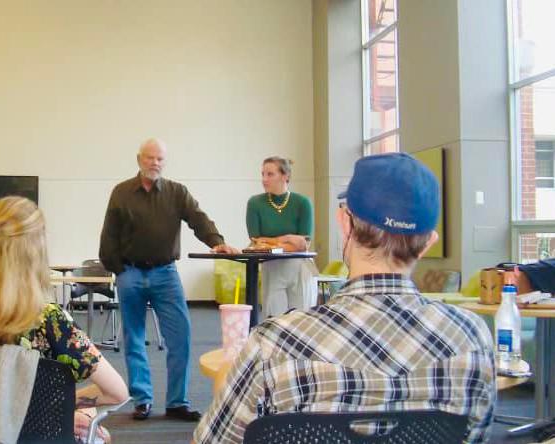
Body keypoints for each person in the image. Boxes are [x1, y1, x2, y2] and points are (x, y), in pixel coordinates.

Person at [193, 153, 496, 444]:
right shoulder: (473, 340)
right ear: (429, 242)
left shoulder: (274, 344)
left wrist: (224, 382)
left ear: (344, 223)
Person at [0, 196, 128, 444]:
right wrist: (55, 411)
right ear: (36, 254)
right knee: (98, 430)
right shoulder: (50, 320)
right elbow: (117, 393)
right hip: (37, 437)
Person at [99, 138, 240, 422]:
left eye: (160, 159)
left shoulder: (177, 192)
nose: (155, 163)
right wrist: (118, 269)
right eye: (150, 158)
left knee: (181, 338)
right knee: (134, 338)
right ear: (139, 159)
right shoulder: (122, 192)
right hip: (130, 273)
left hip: (166, 274)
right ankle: (142, 400)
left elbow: (198, 219)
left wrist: (217, 242)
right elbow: (109, 234)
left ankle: (177, 402)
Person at [246, 156, 317, 316]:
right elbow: (257, 243)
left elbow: (304, 244)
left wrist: (271, 242)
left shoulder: (303, 203)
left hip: (300, 267)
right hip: (272, 267)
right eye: (262, 174)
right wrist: (289, 239)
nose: (264, 179)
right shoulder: (255, 203)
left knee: (302, 320)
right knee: (275, 321)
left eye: (270, 174)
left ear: (285, 176)